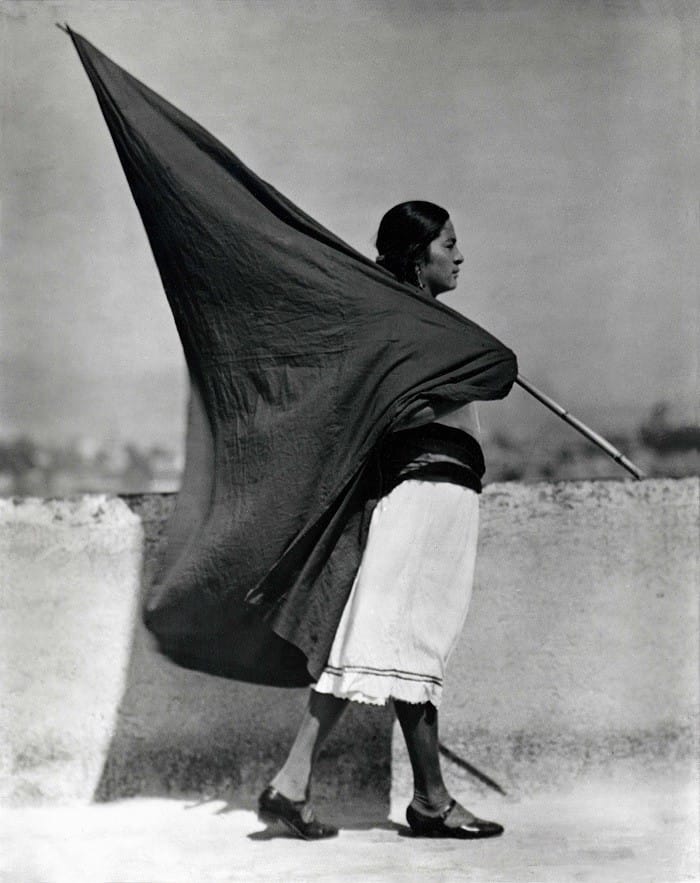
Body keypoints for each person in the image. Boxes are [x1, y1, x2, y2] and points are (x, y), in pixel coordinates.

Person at [258, 201, 505, 841]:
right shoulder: (403, 328)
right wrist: (466, 368)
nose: (460, 256)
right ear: (419, 258)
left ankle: (299, 784)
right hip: (424, 493)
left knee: (376, 644)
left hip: (436, 491)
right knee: (405, 643)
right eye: (448, 244)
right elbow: (389, 407)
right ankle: (428, 802)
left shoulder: (419, 326)